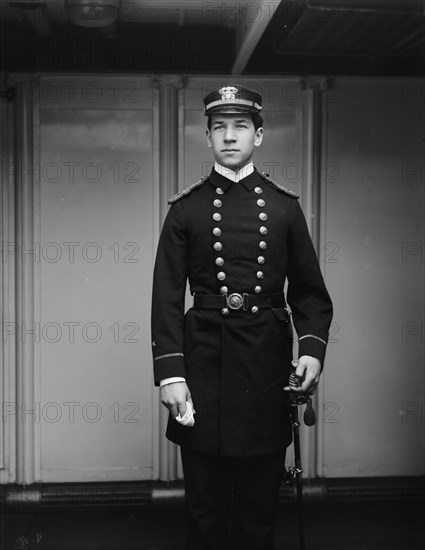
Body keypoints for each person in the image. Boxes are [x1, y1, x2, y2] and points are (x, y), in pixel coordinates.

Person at [151, 85, 333, 550]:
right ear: (207, 137)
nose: (229, 136)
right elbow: (167, 298)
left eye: (240, 127)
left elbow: (311, 294)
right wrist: (170, 375)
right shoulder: (186, 209)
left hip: (265, 372)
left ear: (260, 135)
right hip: (203, 369)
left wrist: (312, 350)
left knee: (258, 514)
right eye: (219, 128)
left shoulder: (283, 207)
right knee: (205, 513)